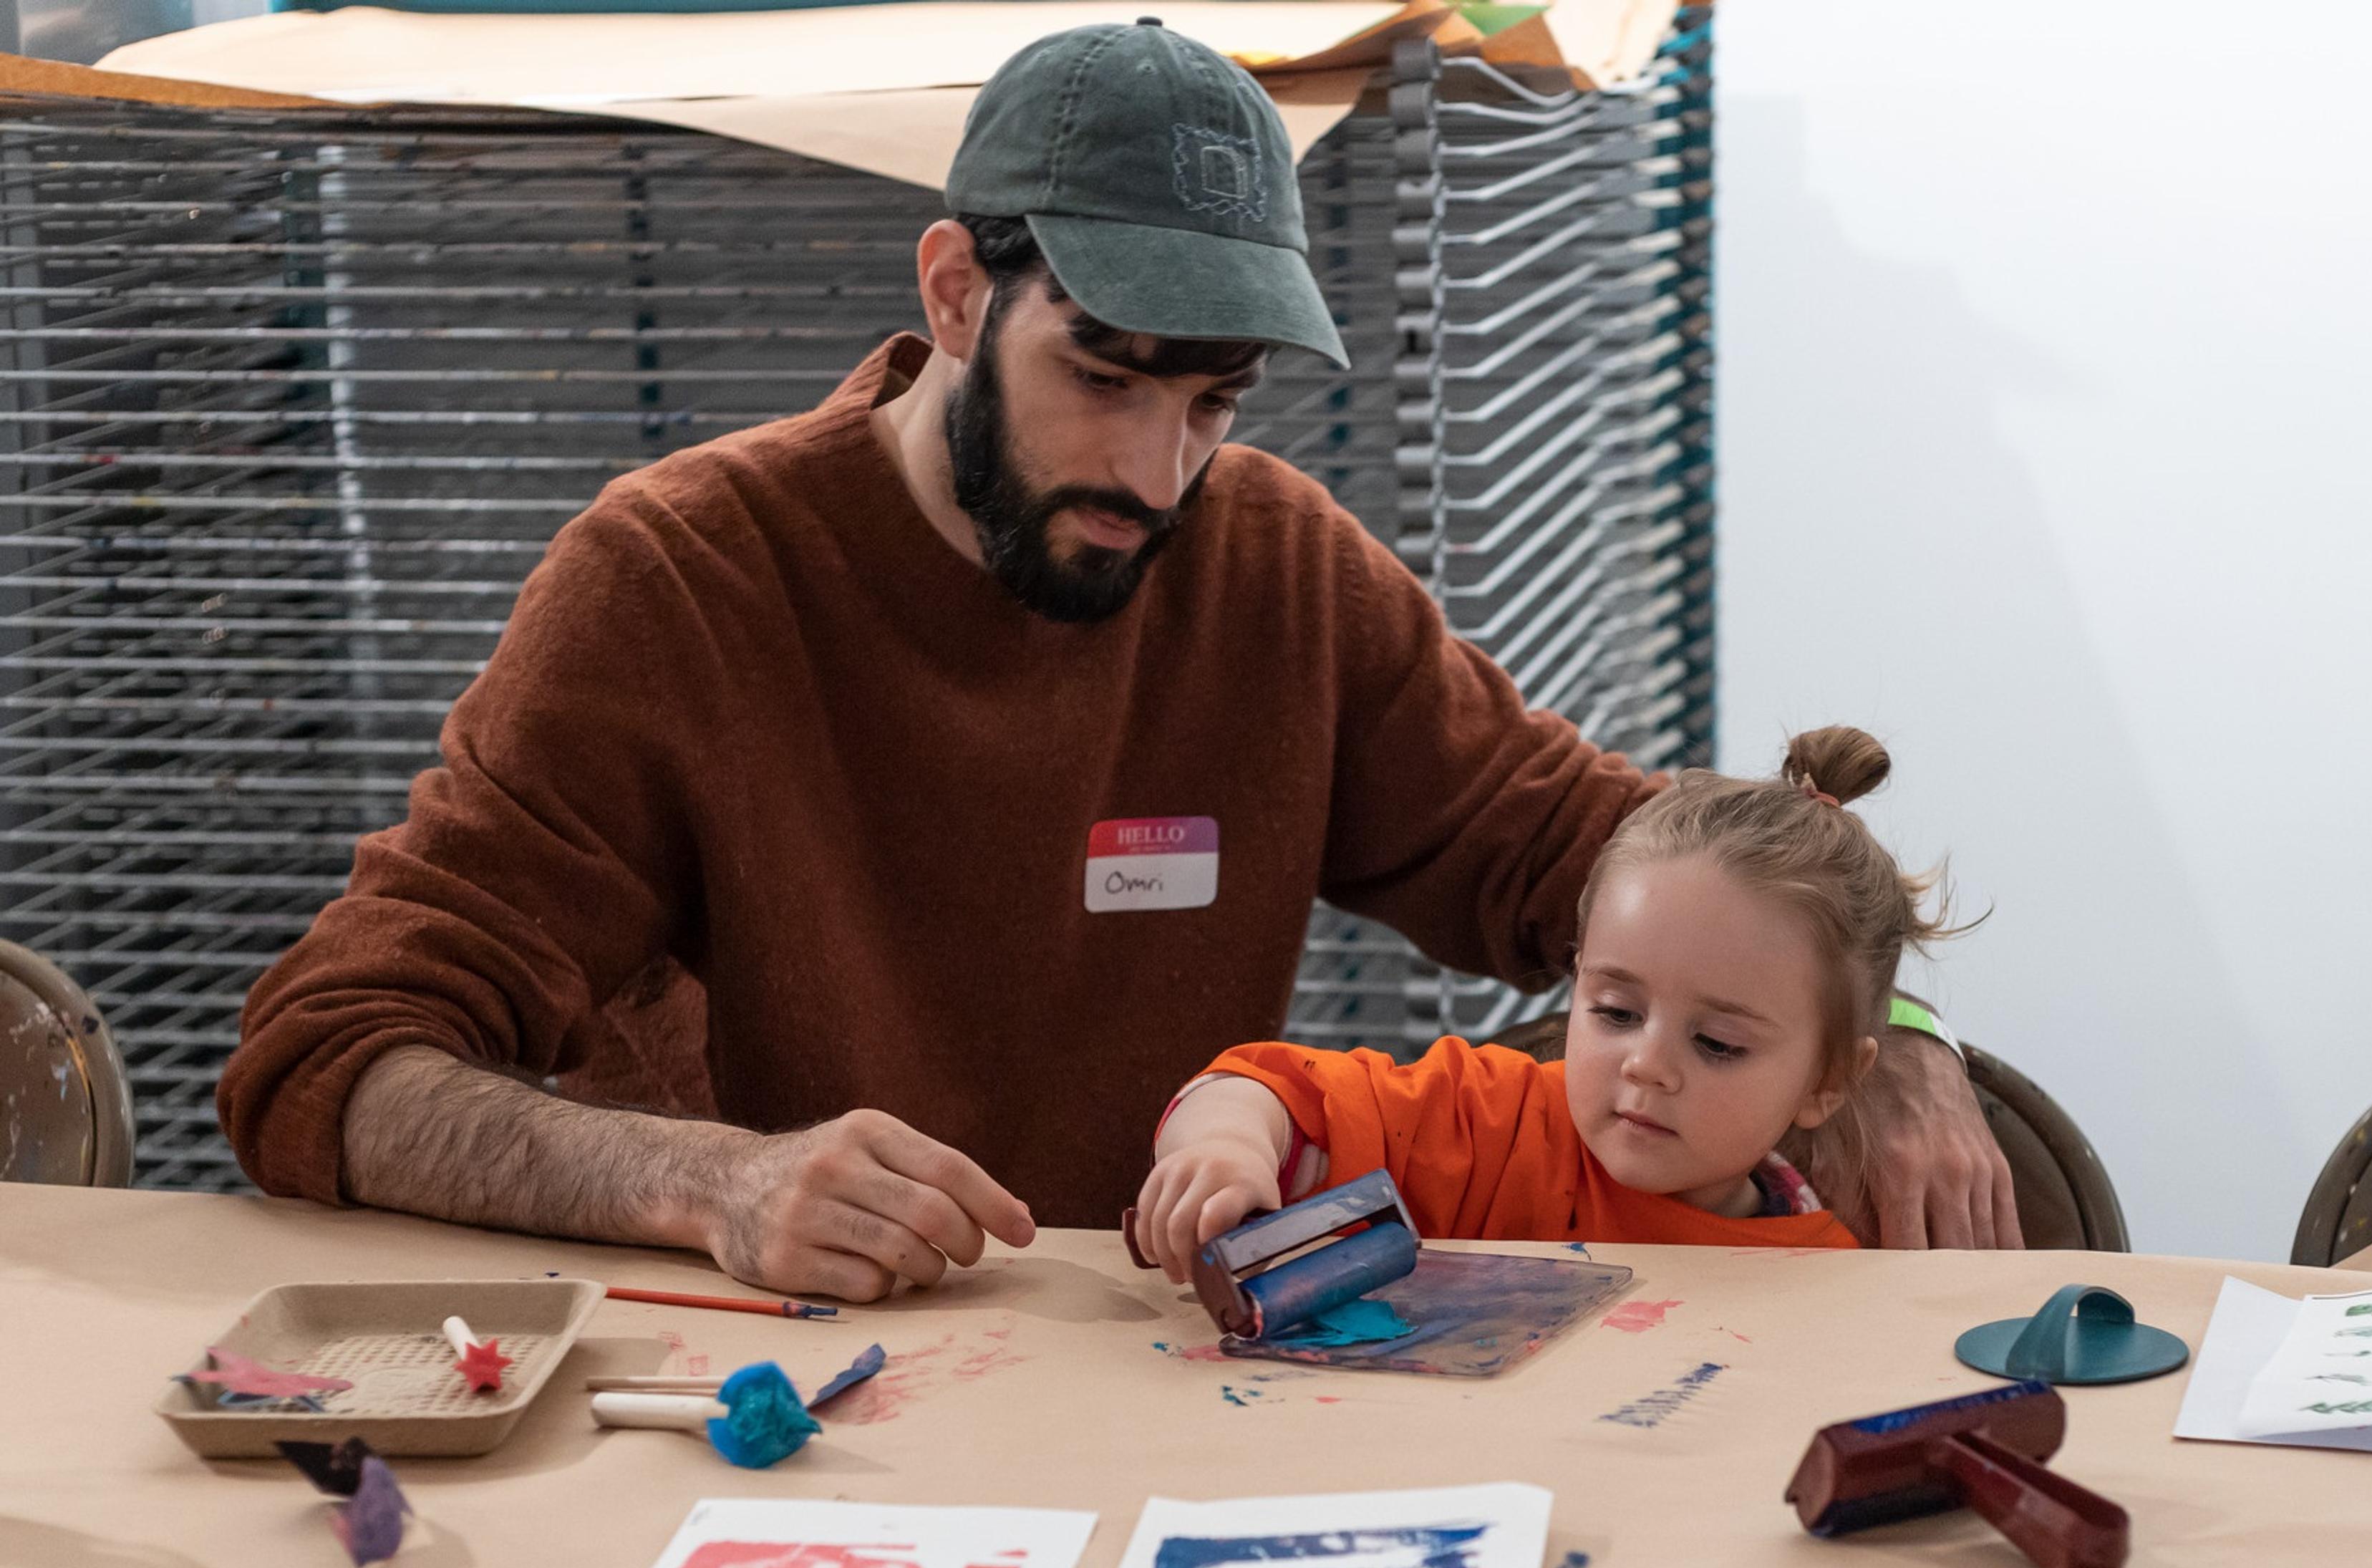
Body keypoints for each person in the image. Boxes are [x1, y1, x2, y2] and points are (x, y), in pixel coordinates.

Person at [218, 21, 2021, 1305]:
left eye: (1212, 401)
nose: (1156, 474)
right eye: (1104, 372)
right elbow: (327, 1060)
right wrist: (708, 1179)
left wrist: (1906, 1034)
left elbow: (1606, 850)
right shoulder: (677, 581)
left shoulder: (1271, 565)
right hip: (787, 1390)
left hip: (1173, 1364)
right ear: (950, 293)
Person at [1133, 727, 1952, 1268]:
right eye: (1617, 1013)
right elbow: (1263, 1088)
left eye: (1718, 1044)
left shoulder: (1828, 1275)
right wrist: (1225, 1151)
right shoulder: (1490, 1123)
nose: (1648, 1066)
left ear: (1827, 1082)